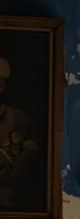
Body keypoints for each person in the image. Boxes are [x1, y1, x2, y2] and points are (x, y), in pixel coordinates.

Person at [0, 55, 44, 209]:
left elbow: (32, 152)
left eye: (1, 81)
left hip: (9, 202)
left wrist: (19, 163)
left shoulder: (20, 119)